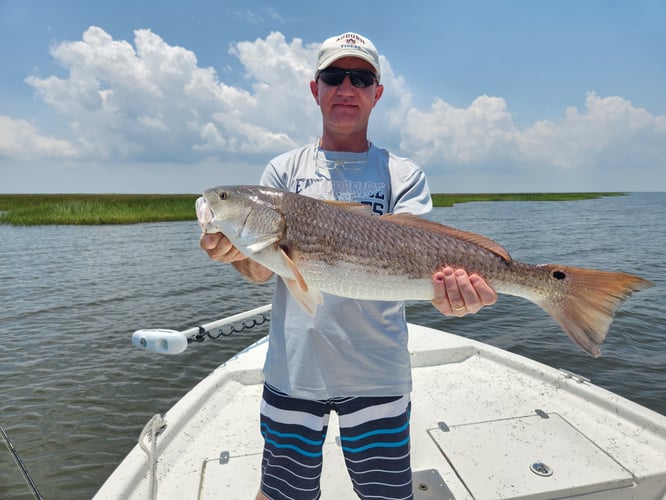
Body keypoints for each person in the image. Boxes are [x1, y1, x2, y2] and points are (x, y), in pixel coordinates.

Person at [200, 32, 497, 500]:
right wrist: (236, 253)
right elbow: (263, 271)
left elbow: (423, 260)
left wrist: (455, 296)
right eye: (333, 76)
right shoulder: (282, 173)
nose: (346, 88)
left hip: (379, 375)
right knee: (281, 494)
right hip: (294, 374)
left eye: (360, 78)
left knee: (386, 495)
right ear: (314, 88)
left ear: (377, 93)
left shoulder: (403, 174)